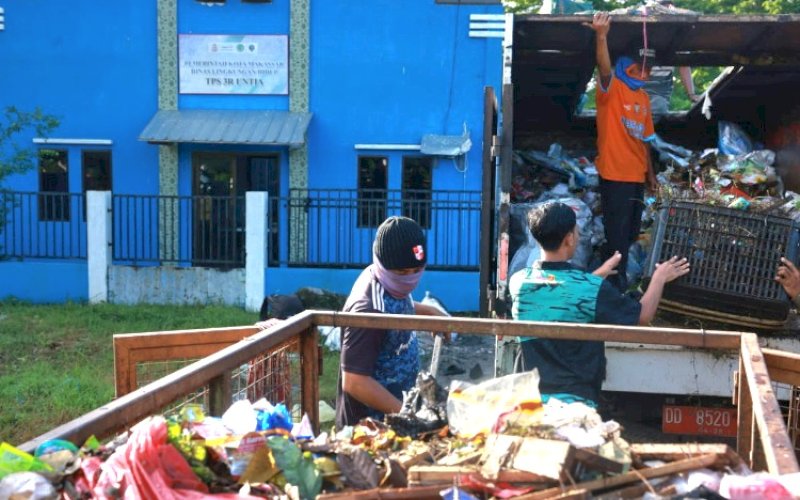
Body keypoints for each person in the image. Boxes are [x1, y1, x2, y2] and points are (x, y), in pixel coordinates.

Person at [509, 202, 690, 407]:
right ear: (569, 239)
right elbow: (642, 316)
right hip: (576, 401)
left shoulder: (519, 282)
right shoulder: (590, 289)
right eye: (576, 232)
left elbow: (557, 291)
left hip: (530, 399)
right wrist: (659, 277)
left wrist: (595, 277)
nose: (577, 236)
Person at [335, 216, 447, 428]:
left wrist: (428, 312)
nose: (410, 280)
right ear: (382, 264)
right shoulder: (367, 310)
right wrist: (408, 415)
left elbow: (396, 306)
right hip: (369, 430)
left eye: (417, 271)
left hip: (396, 417)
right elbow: (354, 381)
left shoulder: (389, 284)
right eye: (402, 273)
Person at [585, 11, 657, 292]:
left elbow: (646, 140)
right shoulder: (611, 90)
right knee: (616, 236)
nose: (644, 75)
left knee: (628, 235)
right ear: (627, 66)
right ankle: (615, 288)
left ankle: (608, 279)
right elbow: (603, 68)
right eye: (640, 68)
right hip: (614, 175)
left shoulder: (643, 98)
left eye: (648, 71)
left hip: (636, 176)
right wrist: (601, 36)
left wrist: (650, 174)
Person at [644, 0, 700, 123]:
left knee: (657, 114)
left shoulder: (678, 37)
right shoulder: (644, 29)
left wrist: (691, 94)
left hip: (660, 90)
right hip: (638, 87)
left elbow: (684, 66)